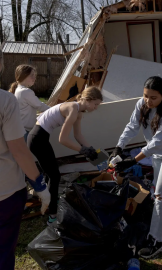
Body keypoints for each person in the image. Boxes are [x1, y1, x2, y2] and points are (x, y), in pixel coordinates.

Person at [109, 76, 162, 259]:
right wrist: (119, 147)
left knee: (158, 194)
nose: (148, 101)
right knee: (161, 191)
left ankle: (157, 240)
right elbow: (132, 126)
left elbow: (157, 143)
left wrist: (134, 160)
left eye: (153, 98)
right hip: (157, 155)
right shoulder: (141, 104)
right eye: (145, 96)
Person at [0, 47, 50, 270]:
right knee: (1, 253)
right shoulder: (5, 101)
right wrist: (40, 186)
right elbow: (19, 150)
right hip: (4, 194)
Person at [27, 86, 102, 225]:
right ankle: (52, 216)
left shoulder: (78, 112)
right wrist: (83, 151)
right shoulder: (73, 108)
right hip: (37, 138)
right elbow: (63, 139)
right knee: (54, 175)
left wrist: (92, 150)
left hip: (40, 138)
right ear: (88, 99)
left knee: (52, 174)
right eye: (96, 104)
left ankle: (46, 202)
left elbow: (78, 135)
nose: (96, 107)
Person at [9, 64, 50, 141]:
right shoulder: (26, 91)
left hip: (21, 129)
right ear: (24, 76)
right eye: (32, 75)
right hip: (26, 131)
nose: (34, 78)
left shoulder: (18, 90)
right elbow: (40, 106)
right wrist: (56, 110)